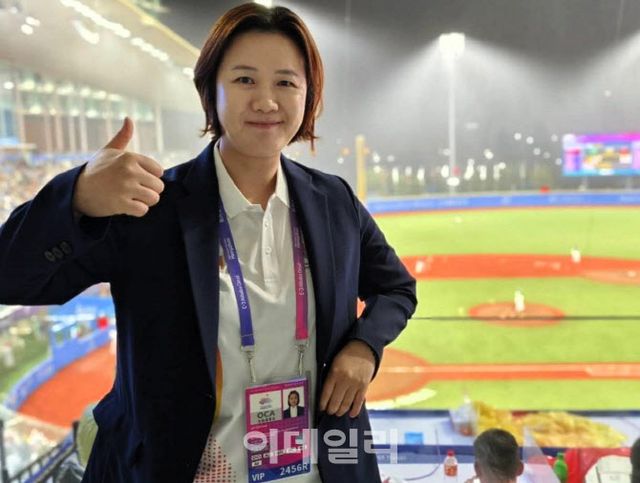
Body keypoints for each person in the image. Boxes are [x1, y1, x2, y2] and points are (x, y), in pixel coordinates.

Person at [0, 3, 417, 483]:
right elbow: (12, 277)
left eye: (286, 82)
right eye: (244, 80)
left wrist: (364, 347)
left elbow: (396, 288)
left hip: (319, 470)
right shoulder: (151, 208)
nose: (266, 101)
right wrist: (76, 199)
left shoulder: (334, 202)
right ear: (210, 92)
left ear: (309, 94)